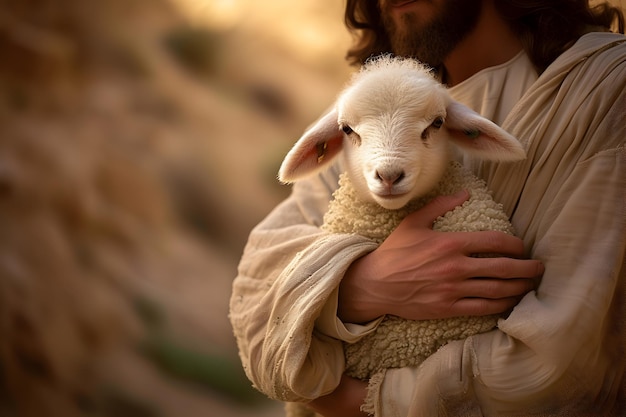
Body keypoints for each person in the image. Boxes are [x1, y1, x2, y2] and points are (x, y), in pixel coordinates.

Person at [229, 0, 626, 415]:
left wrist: (354, 400)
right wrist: (357, 287)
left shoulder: (605, 91)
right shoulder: (374, 110)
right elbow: (258, 287)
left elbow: (566, 363)